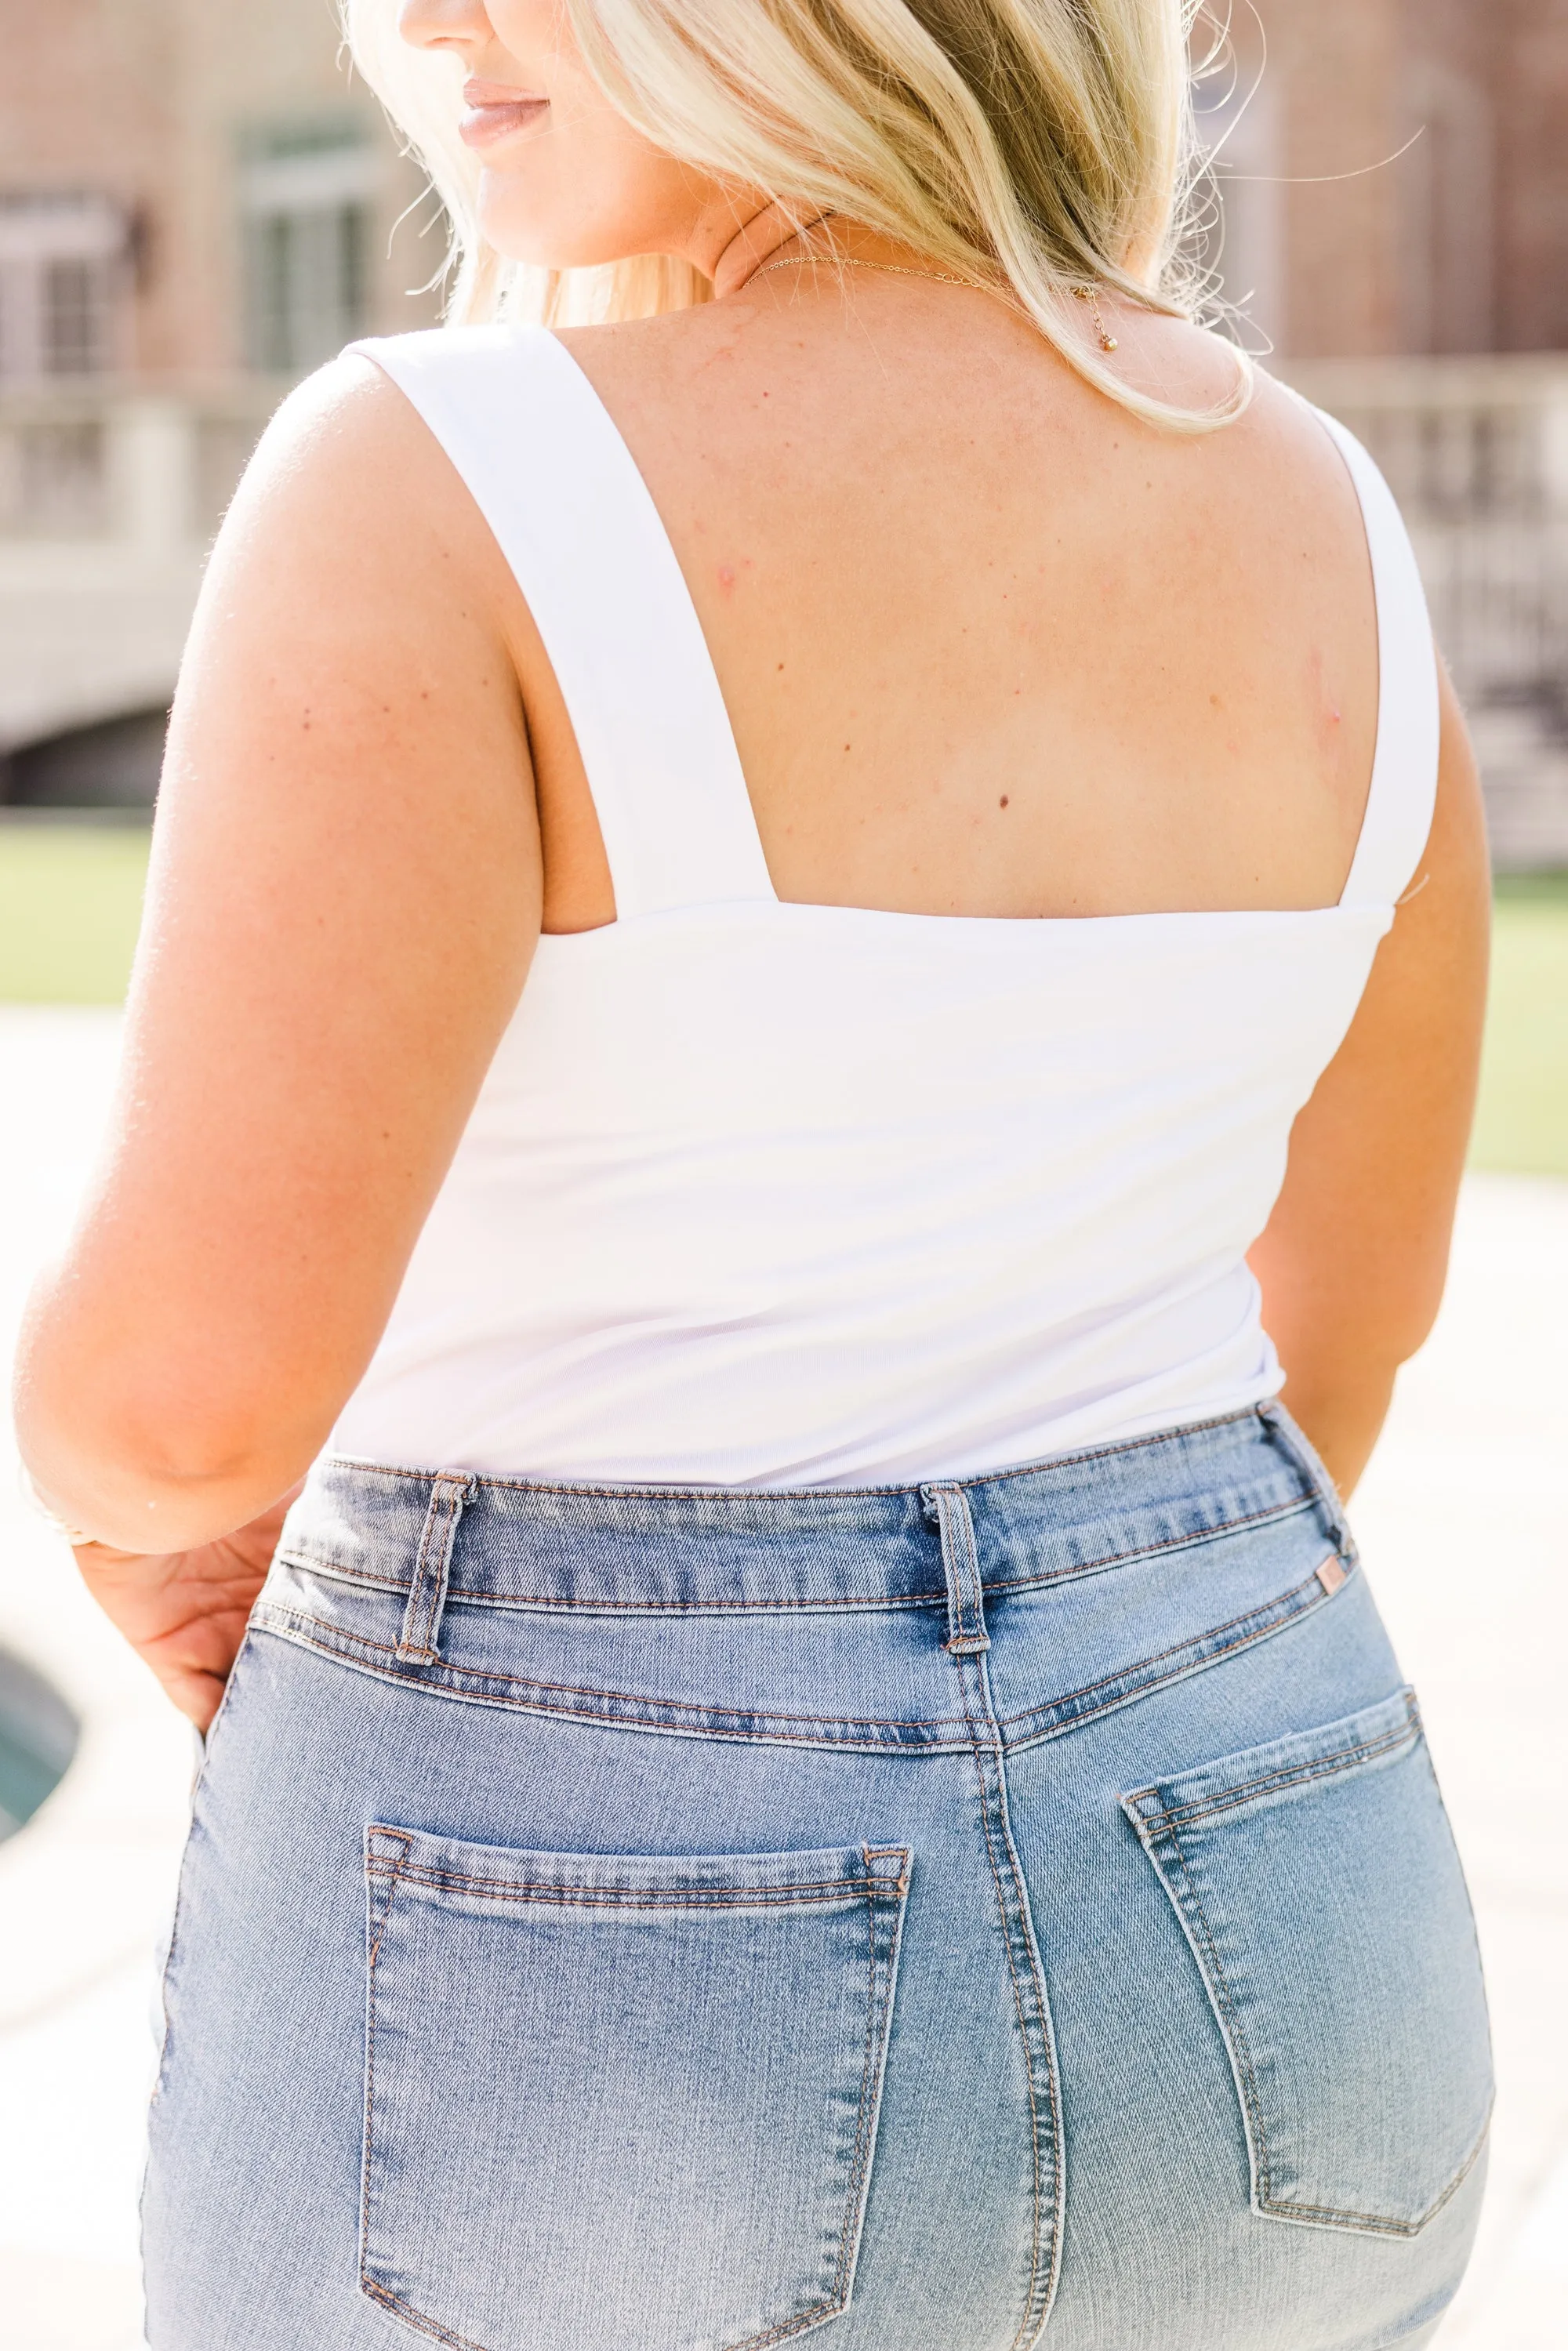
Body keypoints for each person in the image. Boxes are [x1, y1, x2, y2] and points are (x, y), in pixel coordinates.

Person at [13, 0, 1494, 2344]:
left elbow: (180, 1400)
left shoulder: (433, 479)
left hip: (580, 1912)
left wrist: (129, 1511)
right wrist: (1100, 1611)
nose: (419, 20)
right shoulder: (1320, 503)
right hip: (1279, 1849)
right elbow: (1355, 1318)